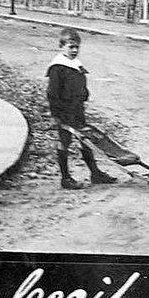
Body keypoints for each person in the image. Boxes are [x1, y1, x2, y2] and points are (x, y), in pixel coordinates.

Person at [46, 28, 118, 190]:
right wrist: (55, 115)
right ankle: (65, 178)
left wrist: (84, 94)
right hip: (64, 112)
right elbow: (52, 93)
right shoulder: (58, 67)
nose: (74, 50)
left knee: (85, 140)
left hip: (77, 110)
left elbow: (80, 84)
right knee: (64, 142)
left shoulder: (76, 65)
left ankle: (95, 173)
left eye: (77, 47)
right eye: (70, 47)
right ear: (61, 47)